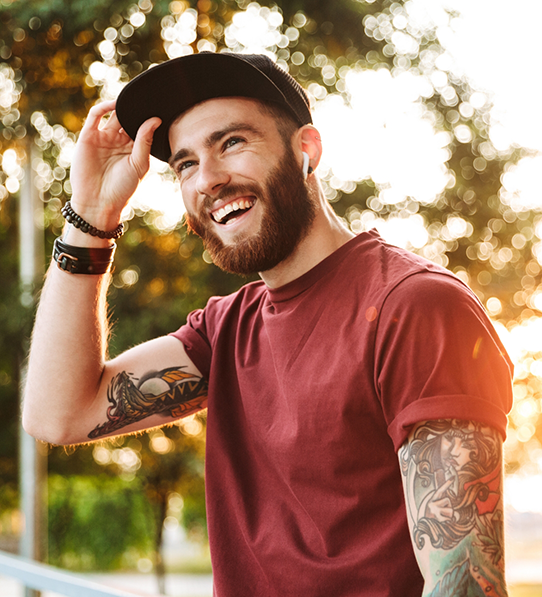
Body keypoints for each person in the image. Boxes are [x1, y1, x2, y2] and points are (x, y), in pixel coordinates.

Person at [23, 52, 513, 596]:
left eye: (231, 142)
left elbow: (465, 585)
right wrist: (91, 215)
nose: (208, 179)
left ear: (306, 150)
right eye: (185, 164)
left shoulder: (415, 306)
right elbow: (58, 415)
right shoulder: (226, 330)